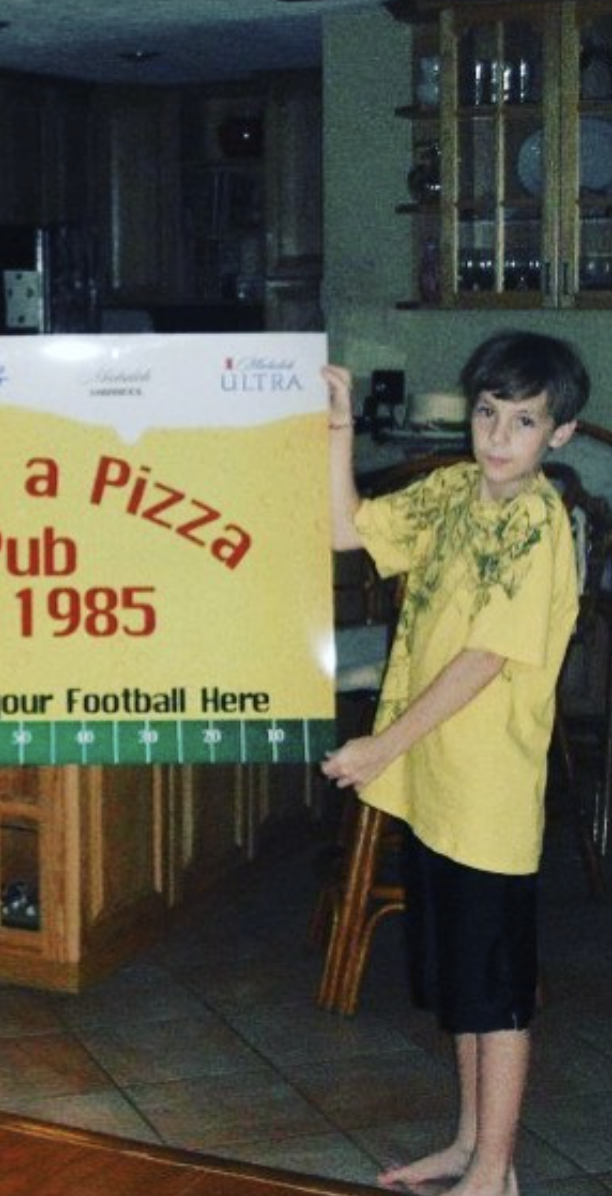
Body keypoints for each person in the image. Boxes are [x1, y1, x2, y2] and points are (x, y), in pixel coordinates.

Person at [321, 331, 588, 1196]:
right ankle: (471, 1146)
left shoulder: (539, 522)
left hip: (488, 795)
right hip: (437, 786)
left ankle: (497, 1174)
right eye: (486, 413)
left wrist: (381, 744)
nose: (498, 435)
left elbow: (483, 659)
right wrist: (338, 430)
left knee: (499, 996)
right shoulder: (449, 494)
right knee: (463, 989)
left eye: (523, 420)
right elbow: (345, 527)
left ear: (560, 435)